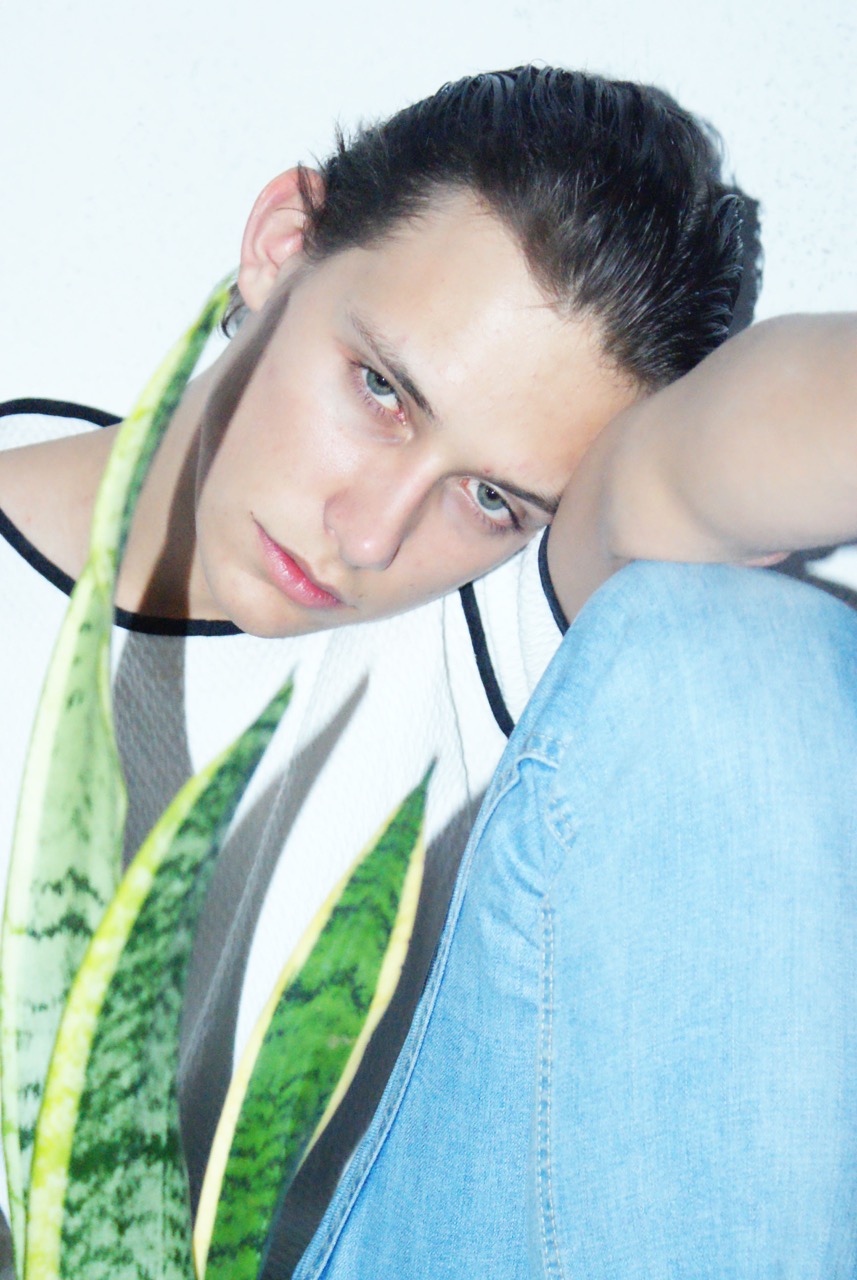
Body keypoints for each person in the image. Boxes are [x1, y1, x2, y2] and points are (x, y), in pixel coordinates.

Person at [0, 65, 854, 1276]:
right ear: (282, 245)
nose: (370, 535)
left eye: (490, 496)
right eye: (380, 390)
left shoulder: (482, 625)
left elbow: (713, 452)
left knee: (746, 653)